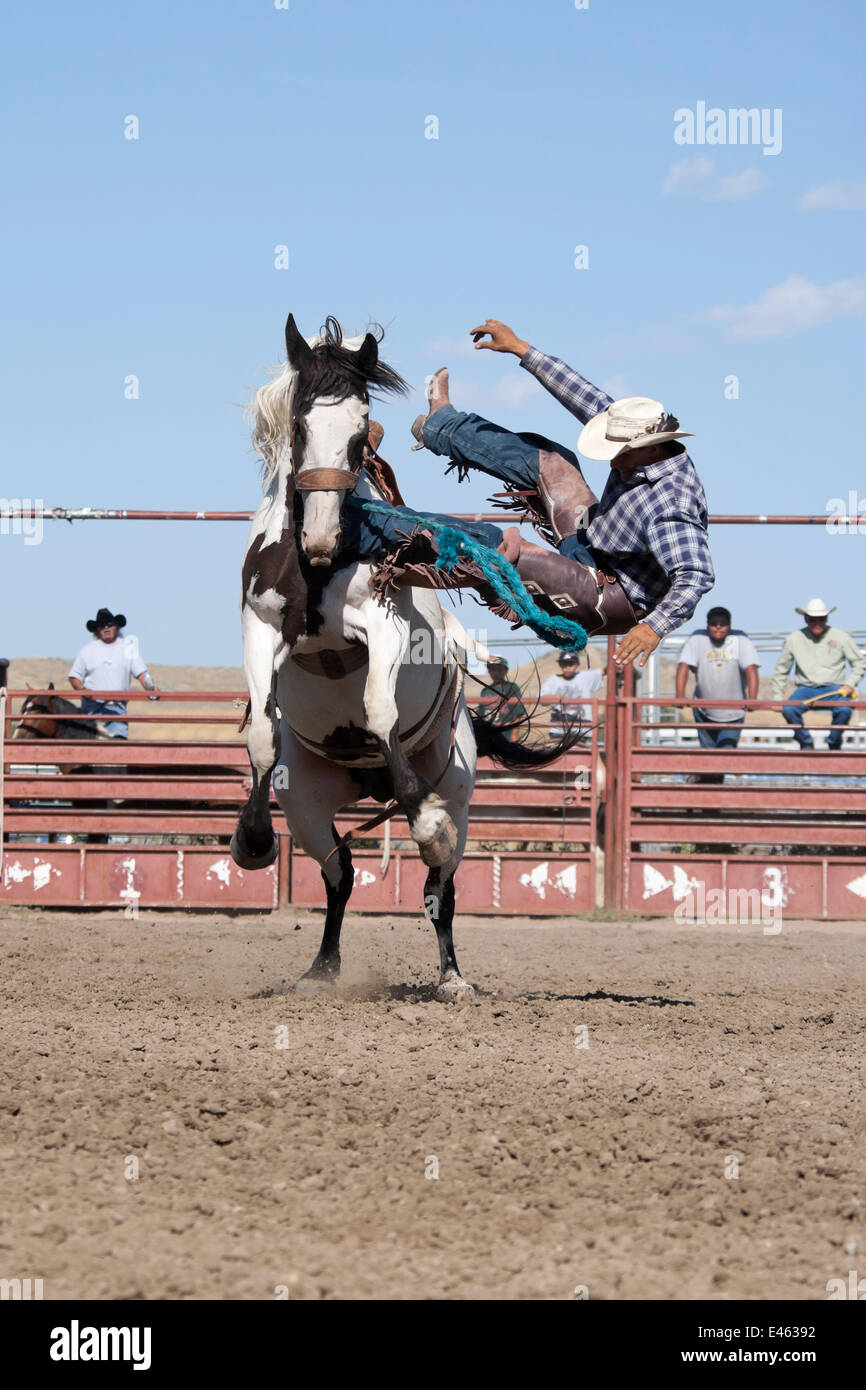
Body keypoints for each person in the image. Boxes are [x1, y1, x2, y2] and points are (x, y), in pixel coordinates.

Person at [349, 319, 713, 670]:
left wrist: (653, 628)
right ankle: (443, 426)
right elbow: (581, 394)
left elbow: (695, 575)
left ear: (653, 448)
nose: (614, 460)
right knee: (554, 460)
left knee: (492, 546)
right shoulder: (634, 436)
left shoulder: (671, 502)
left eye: (623, 453)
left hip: (610, 596)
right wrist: (520, 348)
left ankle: (367, 524)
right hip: (594, 544)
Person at [772, 598, 865, 751]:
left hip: (835, 689)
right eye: (812, 619)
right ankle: (806, 742)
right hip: (806, 689)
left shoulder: (841, 636)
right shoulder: (794, 639)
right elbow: (782, 669)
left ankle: (834, 742)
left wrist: (850, 684)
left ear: (827, 618)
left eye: (821, 619)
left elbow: (860, 662)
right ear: (805, 619)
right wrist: (777, 697)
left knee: (844, 710)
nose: (817, 623)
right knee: (789, 709)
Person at [676, 607, 759, 768]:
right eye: (714, 624)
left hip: (733, 713)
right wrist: (680, 695)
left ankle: (712, 787)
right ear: (707, 625)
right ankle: (707, 787)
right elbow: (683, 666)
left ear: (730, 626)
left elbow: (751, 668)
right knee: (708, 756)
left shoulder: (740, 640)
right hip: (704, 710)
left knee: (725, 753)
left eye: (723, 624)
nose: (718, 627)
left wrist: (753, 699)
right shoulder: (698, 639)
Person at [68, 608, 160, 738]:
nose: (106, 627)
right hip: (92, 711)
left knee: (118, 748)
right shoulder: (87, 650)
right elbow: (74, 677)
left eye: (109, 624)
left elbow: (142, 673)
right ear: (96, 629)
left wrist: (150, 687)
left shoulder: (128, 648)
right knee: (92, 750)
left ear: (116, 626)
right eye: (102, 625)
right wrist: (83, 690)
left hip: (117, 710)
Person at [541, 650, 604, 741]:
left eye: (570, 663)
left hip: (580, 728)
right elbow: (542, 700)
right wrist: (557, 698)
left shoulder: (584, 677)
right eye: (564, 664)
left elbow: (604, 671)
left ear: (577, 664)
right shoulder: (552, 681)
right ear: (560, 664)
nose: (567, 667)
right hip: (559, 729)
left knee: (583, 753)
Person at [476, 655, 528, 741]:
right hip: (487, 734)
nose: (495, 672)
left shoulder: (512, 688)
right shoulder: (485, 690)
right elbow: (480, 714)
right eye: (492, 669)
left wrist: (514, 734)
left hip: (505, 734)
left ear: (505, 670)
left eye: (499, 669)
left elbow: (518, 713)